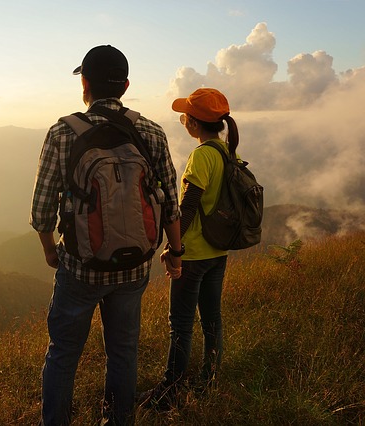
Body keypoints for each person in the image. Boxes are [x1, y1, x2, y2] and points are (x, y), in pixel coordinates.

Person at [30, 45, 182, 425]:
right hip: (134, 268)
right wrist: (175, 251)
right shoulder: (151, 132)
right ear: (126, 85)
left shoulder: (63, 133)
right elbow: (170, 202)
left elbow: (42, 208)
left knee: (64, 353)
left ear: (85, 84)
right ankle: (118, 420)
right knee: (123, 351)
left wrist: (51, 250)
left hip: (80, 267)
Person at [139, 88, 239, 410]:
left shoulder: (202, 155)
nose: (182, 119)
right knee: (212, 320)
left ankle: (170, 391)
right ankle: (209, 379)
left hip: (194, 253)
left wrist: (175, 249)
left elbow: (190, 204)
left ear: (194, 124)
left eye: (185, 115)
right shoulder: (228, 152)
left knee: (180, 324)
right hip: (218, 252)